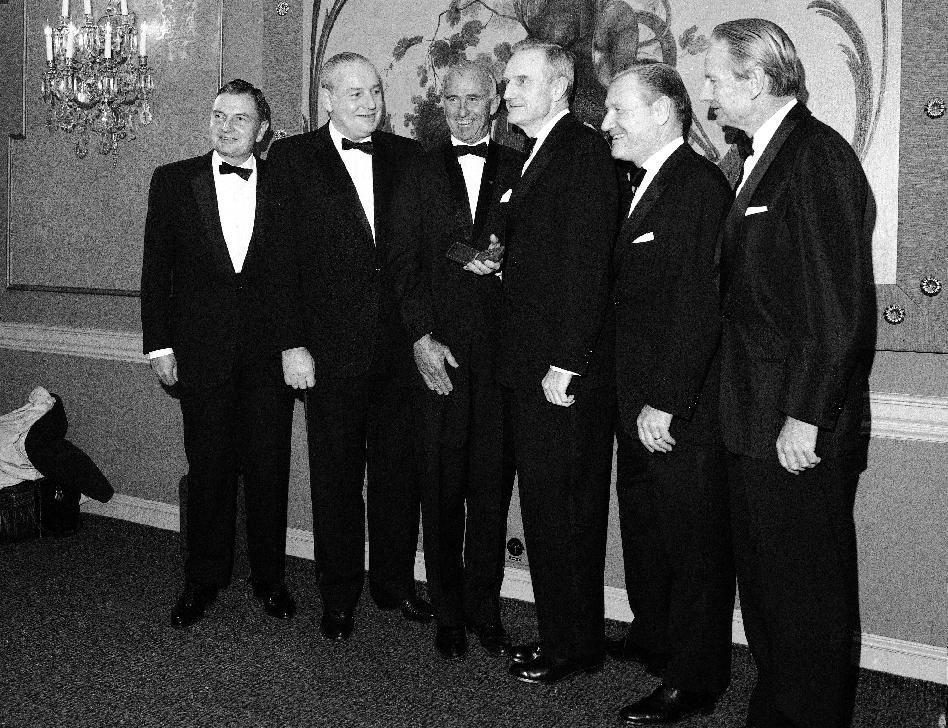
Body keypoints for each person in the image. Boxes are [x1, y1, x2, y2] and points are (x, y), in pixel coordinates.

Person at [701, 19, 875, 728]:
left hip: (794, 426)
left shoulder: (816, 158)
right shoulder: (759, 159)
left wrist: (807, 414)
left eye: (715, 78)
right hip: (753, 417)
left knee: (808, 597)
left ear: (758, 79)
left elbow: (837, 308)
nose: (707, 93)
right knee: (770, 590)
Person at [266, 52, 433, 641]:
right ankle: (337, 595)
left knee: (397, 478)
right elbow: (277, 262)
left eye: (375, 91)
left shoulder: (408, 156)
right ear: (327, 96)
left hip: (399, 355)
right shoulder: (289, 159)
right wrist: (292, 345)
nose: (368, 103)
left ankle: (393, 584)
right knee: (336, 481)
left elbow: (421, 256)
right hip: (328, 355)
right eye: (355, 92)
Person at [601, 63, 735, 725]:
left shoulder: (697, 186)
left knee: (692, 545)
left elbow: (698, 305)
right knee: (648, 530)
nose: (606, 124)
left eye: (618, 111)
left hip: (674, 409)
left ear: (663, 112)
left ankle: (695, 680)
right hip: (638, 401)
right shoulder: (645, 183)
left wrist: (667, 400)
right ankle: (654, 638)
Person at [140, 79, 297, 628]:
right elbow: (156, 270)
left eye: (239, 117)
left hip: (267, 358)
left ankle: (269, 578)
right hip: (200, 354)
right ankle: (202, 578)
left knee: (268, 470)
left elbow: (295, 277)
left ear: (262, 129)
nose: (226, 126)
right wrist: (159, 345)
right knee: (208, 469)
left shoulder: (284, 182)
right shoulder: (173, 181)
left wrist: (295, 344)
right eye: (218, 115)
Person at [490, 40, 619, 684]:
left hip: (558, 373)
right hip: (531, 366)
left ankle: (570, 646)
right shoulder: (534, 154)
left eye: (519, 80)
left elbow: (589, 267)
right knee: (547, 510)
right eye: (507, 80)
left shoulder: (583, 151)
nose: (506, 91)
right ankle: (563, 636)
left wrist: (568, 360)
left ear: (559, 83)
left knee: (563, 511)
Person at [391, 60, 523, 660]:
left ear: (493, 104)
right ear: (440, 106)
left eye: (475, 99)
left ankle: (484, 609)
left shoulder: (523, 166)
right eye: (453, 100)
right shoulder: (415, 171)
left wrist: (506, 258)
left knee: (490, 494)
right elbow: (400, 261)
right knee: (440, 490)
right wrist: (420, 338)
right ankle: (447, 612)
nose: (464, 110)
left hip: (500, 361)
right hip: (436, 357)